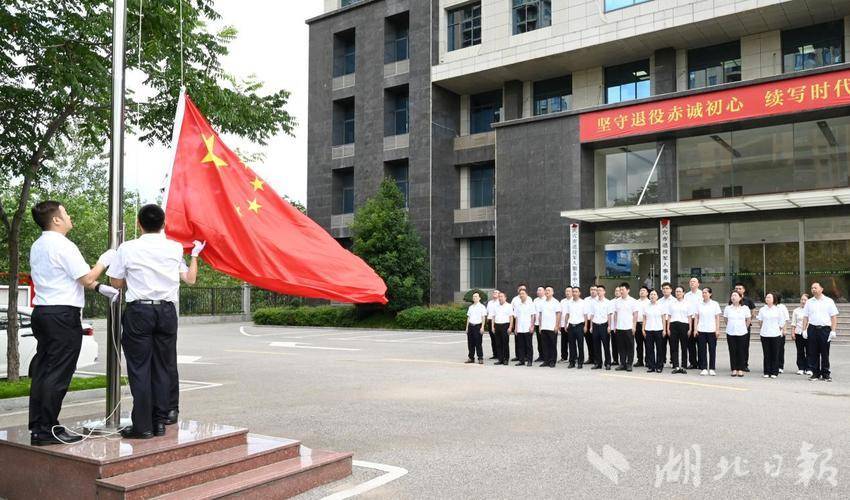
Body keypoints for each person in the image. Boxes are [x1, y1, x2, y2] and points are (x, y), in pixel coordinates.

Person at [27, 201, 119, 446]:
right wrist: (103, 261)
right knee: (58, 373)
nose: (69, 216)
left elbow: (68, 280)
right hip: (62, 316)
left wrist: (100, 287)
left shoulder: (38, 245)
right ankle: (47, 429)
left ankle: (40, 426)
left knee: (44, 371)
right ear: (56, 220)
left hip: (44, 312)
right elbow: (86, 277)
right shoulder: (63, 245)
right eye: (66, 213)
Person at [108, 204, 203, 439]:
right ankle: (160, 421)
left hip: (140, 312)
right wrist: (195, 256)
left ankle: (143, 425)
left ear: (138, 224)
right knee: (163, 368)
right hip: (167, 312)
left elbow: (116, 283)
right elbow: (189, 279)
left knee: (140, 369)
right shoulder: (174, 248)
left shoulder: (127, 248)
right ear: (164, 225)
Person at [801, 282, 839, 382]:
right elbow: (805, 316)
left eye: (815, 288)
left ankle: (826, 374)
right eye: (812, 288)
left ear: (821, 289)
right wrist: (804, 330)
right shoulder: (809, 302)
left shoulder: (828, 301)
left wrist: (833, 330)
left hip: (825, 329)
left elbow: (834, 316)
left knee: (825, 352)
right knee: (813, 352)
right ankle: (815, 373)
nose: (813, 289)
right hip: (812, 329)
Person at [757, 292, 785, 379]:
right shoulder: (762, 310)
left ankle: (774, 372)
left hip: (775, 334)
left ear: (774, 299)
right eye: (766, 297)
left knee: (775, 353)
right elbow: (760, 321)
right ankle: (767, 371)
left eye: (769, 297)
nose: (767, 299)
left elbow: (781, 323)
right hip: (764, 334)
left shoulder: (778, 310)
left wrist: (777, 330)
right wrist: (764, 328)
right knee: (766, 354)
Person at [694, 287, 721, 376]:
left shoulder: (715, 304)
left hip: (712, 330)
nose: (704, 294)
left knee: (712, 350)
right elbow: (696, 317)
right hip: (701, 329)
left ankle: (712, 368)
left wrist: (717, 329)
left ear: (710, 294)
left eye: (706, 292)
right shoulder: (699, 304)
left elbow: (717, 317)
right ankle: (704, 368)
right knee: (702, 350)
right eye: (703, 292)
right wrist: (695, 329)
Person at [724, 291, 751, 377]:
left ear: (740, 298)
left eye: (735, 295)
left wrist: (744, 327)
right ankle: (734, 369)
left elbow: (748, 320)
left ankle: (741, 369)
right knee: (732, 351)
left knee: (741, 351)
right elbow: (726, 320)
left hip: (742, 332)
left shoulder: (745, 308)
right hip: (730, 332)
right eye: (732, 295)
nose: (733, 297)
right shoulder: (728, 308)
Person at [612, 283, 638, 371]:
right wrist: (615, 325)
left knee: (630, 346)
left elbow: (635, 315)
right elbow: (615, 314)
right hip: (619, 327)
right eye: (620, 290)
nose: (621, 291)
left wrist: (634, 326)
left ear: (628, 290)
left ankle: (629, 364)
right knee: (621, 347)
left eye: (622, 290)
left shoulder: (633, 301)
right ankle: (622, 363)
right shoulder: (617, 301)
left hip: (629, 327)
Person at [731, 283, 756, 372]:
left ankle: (744, 364)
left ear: (744, 290)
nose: (738, 290)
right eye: (736, 288)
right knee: (734, 347)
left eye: (740, 288)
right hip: (733, 328)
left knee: (744, 346)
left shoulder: (748, 300)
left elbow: (753, 312)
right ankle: (735, 365)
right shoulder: (732, 300)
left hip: (745, 327)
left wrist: (746, 324)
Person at [667, 286, 692, 374]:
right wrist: (668, 328)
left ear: (683, 293)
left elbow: (689, 317)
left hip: (684, 325)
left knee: (684, 346)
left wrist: (690, 328)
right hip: (673, 325)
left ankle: (684, 366)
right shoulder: (672, 303)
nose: (678, 293)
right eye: (676, 291)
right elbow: (669, 316)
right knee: (674, 347)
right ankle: (676, 366)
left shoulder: (687, 304)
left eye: (680, 291)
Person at [588, 284, 613, 370]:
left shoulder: (608, 302)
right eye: (597, 290)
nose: (598, 292)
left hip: (604, 325)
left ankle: (608, 363)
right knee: (596, 346)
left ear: (604, 292)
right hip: (595, 325)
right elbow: (591, 315)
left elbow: (609, 315)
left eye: (600, 290)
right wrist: (591, 326)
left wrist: (609, 326)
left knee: (606, 346)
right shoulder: (593, 303)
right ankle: (598, 363)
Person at [642, 290, 666, 373]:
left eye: (654, 294)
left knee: (660, 348)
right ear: (649, 296)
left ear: (657, 296)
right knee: (649, 349)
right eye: (651, 294)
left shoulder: (661, 306)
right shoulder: (646, 306)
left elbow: (663, 319)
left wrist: (664, 329)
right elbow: (644, 318)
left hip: (659, 329)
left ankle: (659, 366)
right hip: (648, 329)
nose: (652, 296)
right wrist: (643, 329)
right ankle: (651, 366)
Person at [538, 287, 561, 368]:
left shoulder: (556, 302)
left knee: (552, 345)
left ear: (552, 292)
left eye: (549, 290)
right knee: (544, 345)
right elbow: (540, 315)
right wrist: (540, 326)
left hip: (552, 327)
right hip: (544, 327)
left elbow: (558, 314)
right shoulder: (542, 302)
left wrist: (557, 326)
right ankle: (546, 361)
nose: (547, 292)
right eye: (546, 290)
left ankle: (552, 361)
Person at [512, 288, 536, 367]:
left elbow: (533, 316)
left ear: (526, 295)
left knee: (528, 345)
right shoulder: (518, 306)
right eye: (520, 294)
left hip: (527, 328)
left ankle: (529, 361)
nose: (521, 295)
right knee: (520, 345)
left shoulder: (530, 304)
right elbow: (517, 318)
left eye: (523, 293)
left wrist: (532, 326)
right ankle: (521, 360)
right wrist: (515, 328)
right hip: (519, 328)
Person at [489, 292, 514, 366]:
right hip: (497, 325)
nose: (500, 298)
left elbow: (511, 317)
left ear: (505, 298)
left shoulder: (509, 306)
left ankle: (506, 359)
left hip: (505, 325)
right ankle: (500, 359)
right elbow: (493, 317)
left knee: (505, 343)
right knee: (498, 343)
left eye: (501, 296)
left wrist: (510, 327)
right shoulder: (495, 306)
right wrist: (492, 326)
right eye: (499, 296)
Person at [565, 287, 586, 369]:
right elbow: (567, 314)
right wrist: (566, 324)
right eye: (573, 291)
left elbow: (585, 315)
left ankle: (580, 362)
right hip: (571, 326)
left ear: (579, 293)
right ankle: (572, 362)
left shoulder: (583, 302)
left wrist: (585, 326)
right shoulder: (569, 303)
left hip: (580, 325)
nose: (574, 293)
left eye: (576, 291)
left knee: (580, 345)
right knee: (571, 345)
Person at [684, 278, 702, 370]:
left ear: (698, 284)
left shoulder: (702, 294)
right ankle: (693, 362)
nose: (692, 283)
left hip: (700, 320)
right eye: (690, 281)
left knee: (700, 343)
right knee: (690, 343)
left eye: (694, 281)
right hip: (690, 320)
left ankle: (701, 363)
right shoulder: (686, 295)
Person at [791, 295, 811, 376]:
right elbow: (793, 323)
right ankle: (801, 368)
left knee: (809, 351)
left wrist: (806, 330)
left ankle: (809, 368)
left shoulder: (810, 311)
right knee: (800, 351)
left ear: (808, 301)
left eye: (805, 300)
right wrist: (793, 333)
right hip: (798, 333)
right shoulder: (796, 311)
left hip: (808, 333)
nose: (803, 301)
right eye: (802, 299)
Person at [464, 292, 487, 364]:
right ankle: (471, 358)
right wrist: (467, 327)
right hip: (471, 326)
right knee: (470, 343)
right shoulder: (471, 307)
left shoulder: (482, 307)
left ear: (479, 298)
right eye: (473, 296)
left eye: (476, 296)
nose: (474, 298)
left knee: (478, 343)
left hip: (478, 326)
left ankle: (480, 358)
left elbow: (483, 317)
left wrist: (482, 327)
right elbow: (468, 317)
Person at [510, 284, 527, 362]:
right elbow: (511, 309)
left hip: (526, 323)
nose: (522, 290)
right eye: (520, 289)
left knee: (526, 341)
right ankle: (518, 356)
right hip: (516, 321)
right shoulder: (514, 299)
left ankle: (526, 356)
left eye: (524, 289)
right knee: (517, 340)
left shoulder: (529, 299)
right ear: (518, 290)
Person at [658, 282, 675, 367]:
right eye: (663, 289)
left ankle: (673, 361)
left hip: (672, 324)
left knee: (673, 344)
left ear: (671, 290)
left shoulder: (675, 300)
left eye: (667, 288)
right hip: (661, 324)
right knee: (662, 344)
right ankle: (663, 360)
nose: (665, 290)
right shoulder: (659, 301)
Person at [635, 286, 650, 368]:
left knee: (647, 344)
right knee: (639, 344)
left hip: (647, 325)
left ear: (647, 293)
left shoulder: (649, 302)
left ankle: (648, 361)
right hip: (637, 324)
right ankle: (639, 360)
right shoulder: (636, 302)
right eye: (641, 290)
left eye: (644, 290)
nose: (642, 292)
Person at [583, 285, 597, 365]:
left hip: (596, 322)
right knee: (588, 341)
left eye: (595, 289)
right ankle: (590, 358)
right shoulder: (586, 299)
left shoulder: (599, 300)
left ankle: (596, 358)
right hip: (587, 322)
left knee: (595, 342)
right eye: (591, 289)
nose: (593, 291)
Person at [776, 294, 790, 374]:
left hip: (780, 331)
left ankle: (780, 366)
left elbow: (785, 319)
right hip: (770, 332)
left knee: (780, 349)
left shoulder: (782, 307)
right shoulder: (767, 307)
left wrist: (785, 330)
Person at [559, 287, 572, 363]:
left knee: (572, 342)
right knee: (563, 341)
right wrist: (559, 324)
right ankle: (564, 357)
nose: (567, 293)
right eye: (566, 291)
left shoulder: (574, 301)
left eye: (569, 291)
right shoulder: (562, 301)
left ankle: (573, 357)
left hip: (571, 324)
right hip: (563, 324)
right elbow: (560, 313)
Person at [485, 290, 500, 360]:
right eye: (494, 293)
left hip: (496, 322)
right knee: (492, 339)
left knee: (497, 338)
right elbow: (487, 312)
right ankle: (495, 354)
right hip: (490, 321)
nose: (494, 294)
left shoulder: (499, 302)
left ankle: (499, 354)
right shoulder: (490, 302)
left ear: (499, 294)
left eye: (496, 293)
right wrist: (487, 320)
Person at [533, 287, 545, 362]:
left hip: (545, 324)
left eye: (540, 290)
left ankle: (547, 356)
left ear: (544, 291)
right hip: (537, 323)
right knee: (539, 341)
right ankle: (541, 356)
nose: (538, 291)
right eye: (537, 290)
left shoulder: (546, 300)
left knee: (545, 341)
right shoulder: (535, 300)